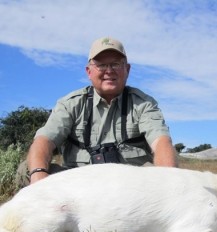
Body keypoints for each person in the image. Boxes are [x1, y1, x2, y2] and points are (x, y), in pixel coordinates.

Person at [21, 37, 177, 186]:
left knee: (168, 178)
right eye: (101, 65)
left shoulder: (144, 104)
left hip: (131, 188)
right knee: (27, 170)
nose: (109, 71)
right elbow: (44, 141)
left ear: (127, 69)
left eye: (116, 64)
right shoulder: (70, 104)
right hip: (79, 186)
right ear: (89, 72)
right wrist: (38, 175)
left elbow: (161, 142)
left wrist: (167, 182)